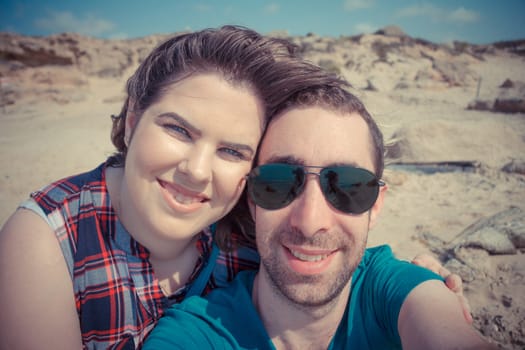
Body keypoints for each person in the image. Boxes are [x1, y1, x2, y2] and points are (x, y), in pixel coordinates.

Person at [0, 26, 467, 349]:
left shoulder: (244, 220)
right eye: (178, 130)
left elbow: (327, 242)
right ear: (134, 118)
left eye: (232, 151)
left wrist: (421, 283)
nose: (198, 171)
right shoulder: (49, 239)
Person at [143, 84, 496, 349]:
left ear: (376, 204)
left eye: (348, 186)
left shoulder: (392, 291)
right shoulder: (195, 334)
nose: (310, 222)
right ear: (251, 199)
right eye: (278, 183)